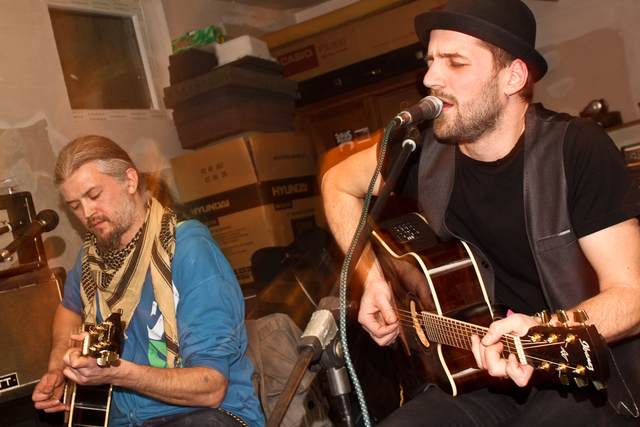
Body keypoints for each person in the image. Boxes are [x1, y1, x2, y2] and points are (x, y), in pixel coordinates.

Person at [321, 0, 640, 425]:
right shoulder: (422, 151)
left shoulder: (576, 149)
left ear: (513, 77)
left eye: (455, 62)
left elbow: (632, 296)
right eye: (431, 61)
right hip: (476, 375)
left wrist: (542, 331)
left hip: (584, 379)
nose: (430, 79)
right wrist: (373, 278)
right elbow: (337, 183)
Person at [32, 135, 265, 427]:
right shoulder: (90, 260)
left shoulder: (189, 250)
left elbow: (211, 388)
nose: (87, 213)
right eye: (75, 205)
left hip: (205, 416)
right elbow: (69, 308)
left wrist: (115, 372)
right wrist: (57, 368)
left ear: (130, 181)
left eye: (94, 195)